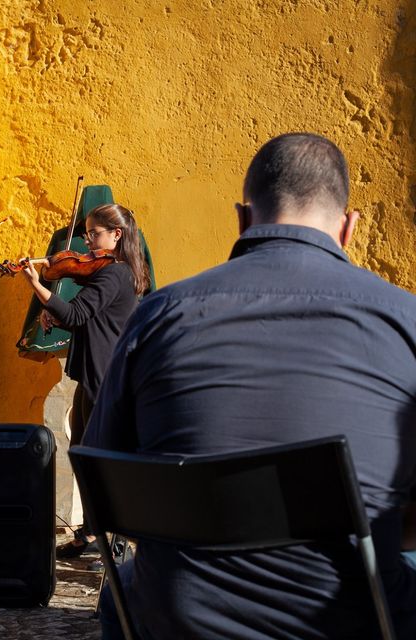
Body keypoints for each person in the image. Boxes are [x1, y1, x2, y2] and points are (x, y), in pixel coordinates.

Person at [86, 133, 416, 639]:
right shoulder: (404, 319)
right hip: (356, 616)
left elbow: (106, 486)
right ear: (348, 228)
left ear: (242, 219)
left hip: (182, 617)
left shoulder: (157, 316)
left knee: (122, 594)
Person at [20, 203, 149, 558]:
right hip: (94, 374)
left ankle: (116, 543)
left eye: (94, 234)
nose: (86, 242)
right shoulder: (110, 273)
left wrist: (37, 285)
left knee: (102, 461)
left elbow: (77, 313)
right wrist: (53, 315)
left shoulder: (115, 274)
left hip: (106, 377)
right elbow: (92, 318)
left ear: (116, 235)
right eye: (87, 233)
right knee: (83, 452)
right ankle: (92, 533)